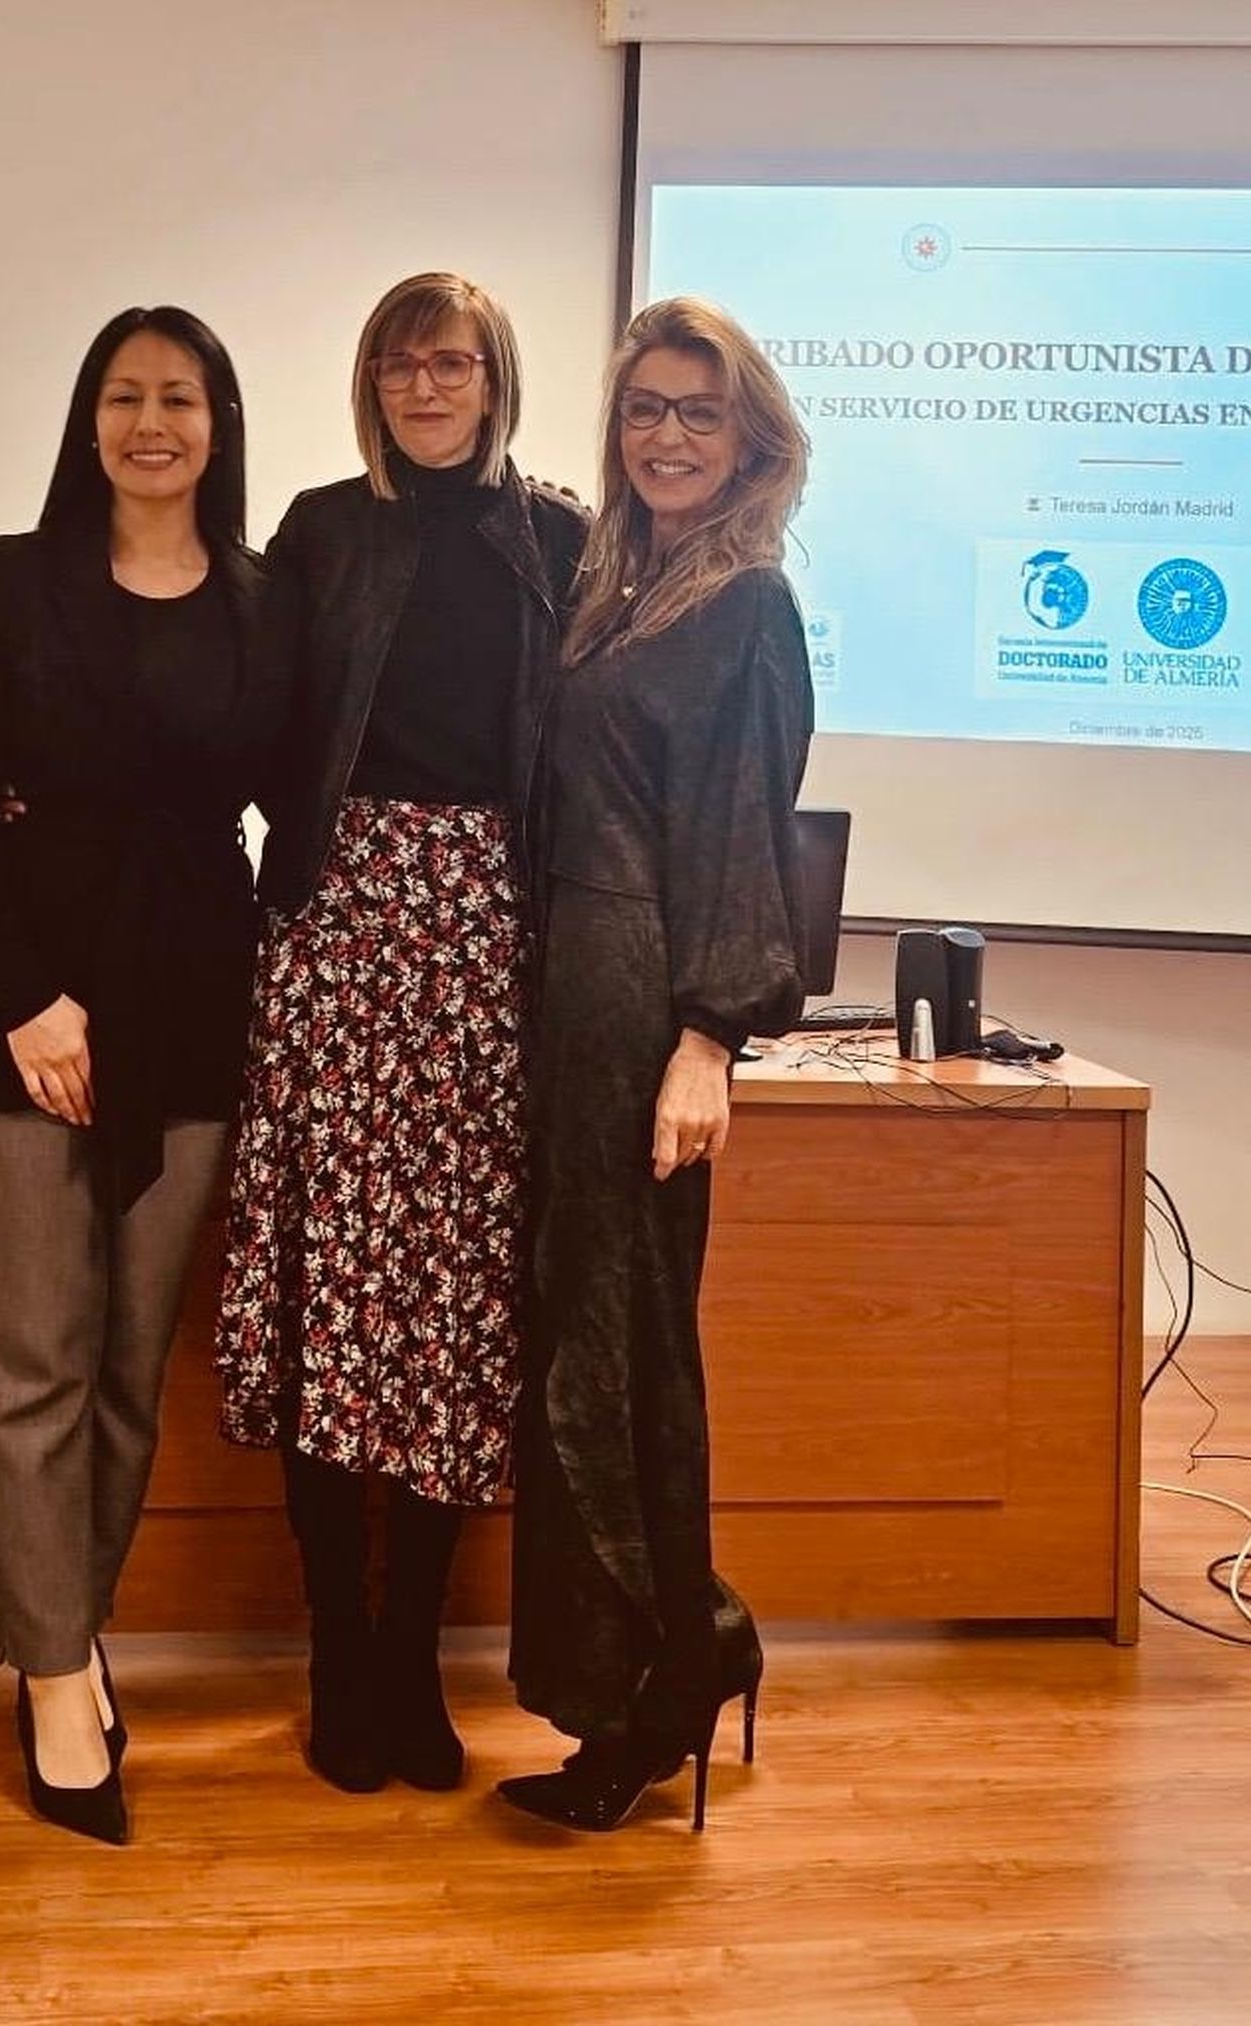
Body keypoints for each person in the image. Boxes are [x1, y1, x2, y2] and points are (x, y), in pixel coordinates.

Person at [0, 306, 271, 1845]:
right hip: (22, 1019)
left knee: (125, 1365)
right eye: (123, 395)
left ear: (219, 422)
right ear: (87, 418)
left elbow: (306, 799)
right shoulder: (8, 580)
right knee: (33, 1362)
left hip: (192, 1008)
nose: (151, 422)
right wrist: (26, 1001)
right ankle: (55, 1677)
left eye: (180, 395)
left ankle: (73, 1626)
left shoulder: (262, 598)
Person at [214, 273, 588, 1795]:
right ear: (369, 383)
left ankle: (412, 1657)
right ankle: (337, 1656)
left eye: (452, 362)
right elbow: (250, 721)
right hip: (336, 924)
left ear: (497, 379)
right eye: (398, 363)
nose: (425, 386)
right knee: (332, 1297)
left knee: (446, 1308)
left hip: (487, 938)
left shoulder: (559, 540)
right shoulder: (321, 530)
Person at [497, 297, 813, 1834]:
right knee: (577, 1336)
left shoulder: (748, 605)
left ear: (749, 437)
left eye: (699, 410)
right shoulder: (620, 587)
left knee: (622, 1355)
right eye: (645, 408)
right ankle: (676, 1642)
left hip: (641, 1005)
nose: (668, 435)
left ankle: (662, 1678)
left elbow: (745, 831)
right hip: (568, 990)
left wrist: (708, 1036)